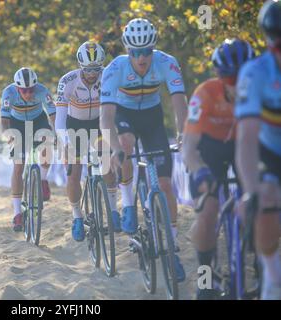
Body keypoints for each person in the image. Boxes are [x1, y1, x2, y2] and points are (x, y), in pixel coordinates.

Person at [99, 18, 188, 281]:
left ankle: (172, 247)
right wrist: (114, 149)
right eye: (135, 53)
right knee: (125, 145)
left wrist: (183, 134)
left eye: (146, 52)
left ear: (153, 49)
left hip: (152, 119)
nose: (141, 58)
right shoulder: (114, 69)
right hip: (124, 115)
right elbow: (105, 118)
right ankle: (128, 205)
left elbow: (179, 104)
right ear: (128, 51)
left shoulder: (167, 62)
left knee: (165, 184)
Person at [182, 39, 255, 299]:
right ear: (219, 75)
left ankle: (260, 263)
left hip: (242, 147)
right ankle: (204, 277)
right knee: (208, 210)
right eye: (229, 77)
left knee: (260, 202)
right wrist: (200, 171)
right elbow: (189, 148)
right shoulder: (204, 94)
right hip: (207, 152)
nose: (235, 83)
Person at [235, 0, 281, 300]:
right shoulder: (255, 72)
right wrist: (251, 189)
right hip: (268, 151)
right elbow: (247, 138)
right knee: (265, 199)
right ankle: (272, 278)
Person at [55, 41, 119, 242]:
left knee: (106, 161)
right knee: (74, 173)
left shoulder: (108, 76)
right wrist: (65, 142)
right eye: (88, 69)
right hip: (75, 126)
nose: (92, 73)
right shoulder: (68, 81)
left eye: (96, 69)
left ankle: (113, 209)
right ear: (80, 65)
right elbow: (59, 119)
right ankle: (76, 216)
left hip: (100, 124)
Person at [0, 67, 56, 231]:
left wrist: (57, 132)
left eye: (31, 90)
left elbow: (53, 114)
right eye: (24, 91)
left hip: (38, 120)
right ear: (18, 88)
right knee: (18, 166)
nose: (28, 94)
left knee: (48, 140)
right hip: (16, 124)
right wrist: (8, 135)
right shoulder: (8, 93)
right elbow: (4, 119)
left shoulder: (42, 91)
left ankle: (43, 180)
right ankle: (17, 213)